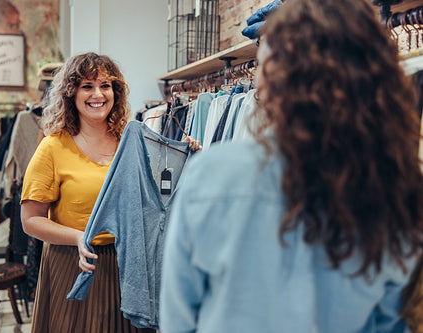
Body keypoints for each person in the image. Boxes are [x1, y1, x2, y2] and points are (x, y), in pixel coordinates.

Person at [159, 0, 423, 332]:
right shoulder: (396, 192)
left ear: (271, 75)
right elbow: (389, 322)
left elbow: (178, 318)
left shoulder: (211, 176)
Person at [20, 52, 155, 332]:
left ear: (115, 92)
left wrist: (188, 153)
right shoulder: (53, 147)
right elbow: (30, 220)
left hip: (124, 269)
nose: (98, 94)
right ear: (71, 93)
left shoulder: (131, 142)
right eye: (87, 86)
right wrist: (79, 237)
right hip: (72, 264)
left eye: (105, 86)